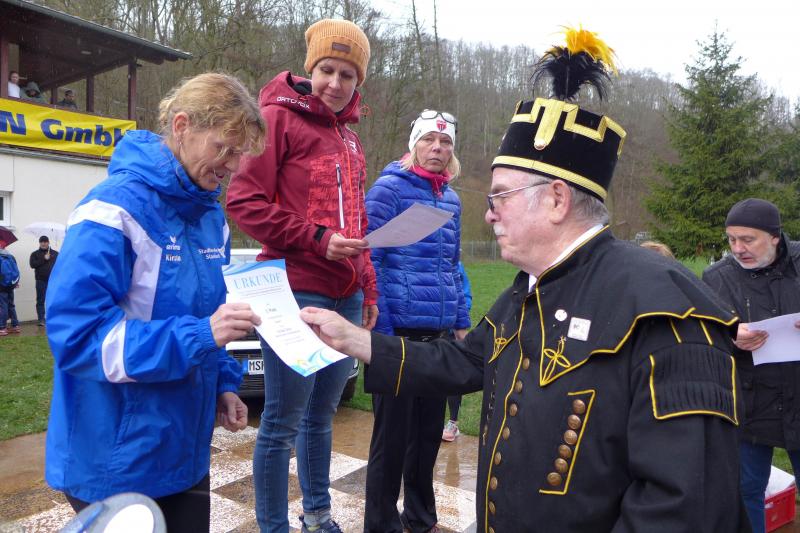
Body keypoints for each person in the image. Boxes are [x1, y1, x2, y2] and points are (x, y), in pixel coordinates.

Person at [301, 27, 750, 532]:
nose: (488, 213)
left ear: (557, 199)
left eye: (500, 196)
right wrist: (357, 341)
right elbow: (466, 361)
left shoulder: (669, 315)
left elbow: (683, 509)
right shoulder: (528, 289)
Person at [44, 72, 266, 533]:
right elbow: (77, 336)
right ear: (181, 126)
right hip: (115, 456)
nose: (231, 166)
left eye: (239, 154)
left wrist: (224, 385)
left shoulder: (211, 217)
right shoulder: (112, 209)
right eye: (223, 148)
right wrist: (200, 335)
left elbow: (211, 317)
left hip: (184, 448)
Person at [226, 18, 377, 533]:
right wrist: (315, 238)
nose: (334, 83)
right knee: (282, 420)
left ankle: (317, 515)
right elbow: (243, 202)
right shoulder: (277, 119)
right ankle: (274, 526)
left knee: (322, 416)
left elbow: (359, 222)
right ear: (310, 69)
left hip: (347, 295)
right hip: (294, 290)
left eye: (347, 75)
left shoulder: (350, 139)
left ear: (358, 82)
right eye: (326, 70)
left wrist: (368, 287)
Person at [363, 109, 470, 533]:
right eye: (429, 140)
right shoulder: (388, 189)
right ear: (414, 144)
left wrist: (460, 320)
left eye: (445, 143)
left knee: (427, 439)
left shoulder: (452, 199)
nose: (437, 148)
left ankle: (420, 518)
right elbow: (369, 258)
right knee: (391, 442)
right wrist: (383, 330)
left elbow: (453, 264)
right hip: (398, 336)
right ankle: (381, 524)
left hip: (437, 336)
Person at [702, 198, 800, 533]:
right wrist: (730, 335)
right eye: (731, 239)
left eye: (747, 239)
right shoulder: (717, 277)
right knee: (746, 490)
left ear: (774, 236)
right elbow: (702, 335)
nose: (737, 249)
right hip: (749, 401)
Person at [443, 260, 472, 442]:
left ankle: (453, 422)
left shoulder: (455, 265)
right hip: (430, 330)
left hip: (451, 332)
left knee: (452, 377)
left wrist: (456, 322)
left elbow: (465, 296)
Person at [29, 235, 58, 326]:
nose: (43, 243)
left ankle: (53, 318)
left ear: (48, 242)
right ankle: (41, 319)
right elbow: (32, 265)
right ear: (39, 243)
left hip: (53, 281)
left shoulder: (55, 253)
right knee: (40, 301)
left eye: (45, 242)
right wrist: (44, 259)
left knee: (53, 300)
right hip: (40, 281)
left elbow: (60, 265)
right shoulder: (35, 254)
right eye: (41, 242)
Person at [0, 237, 21, 336]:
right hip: (11, 285)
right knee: (11, 305)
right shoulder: (10, 256)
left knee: (3, 306)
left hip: (1, 286)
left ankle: (2, 327)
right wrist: (15, 283)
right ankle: (15, 326)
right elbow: (15, 270)